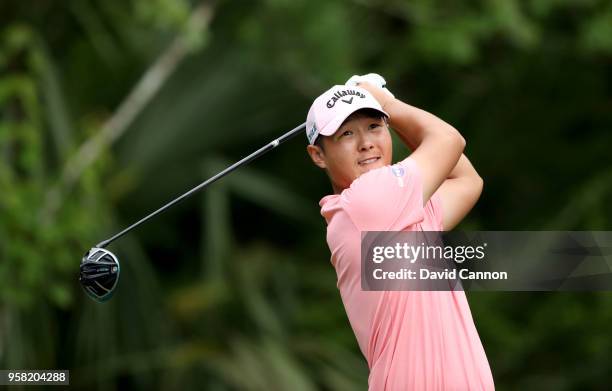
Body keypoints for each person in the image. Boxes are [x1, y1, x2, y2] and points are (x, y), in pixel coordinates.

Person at [305, 75, 495, 390]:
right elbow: (449, 140)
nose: (366, 142)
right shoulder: (366, 202)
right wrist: (388, 103)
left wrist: (387, 108)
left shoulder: (401, 210)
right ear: (318, 155)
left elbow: (466, 180)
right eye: (347, 133)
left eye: (375, 126)